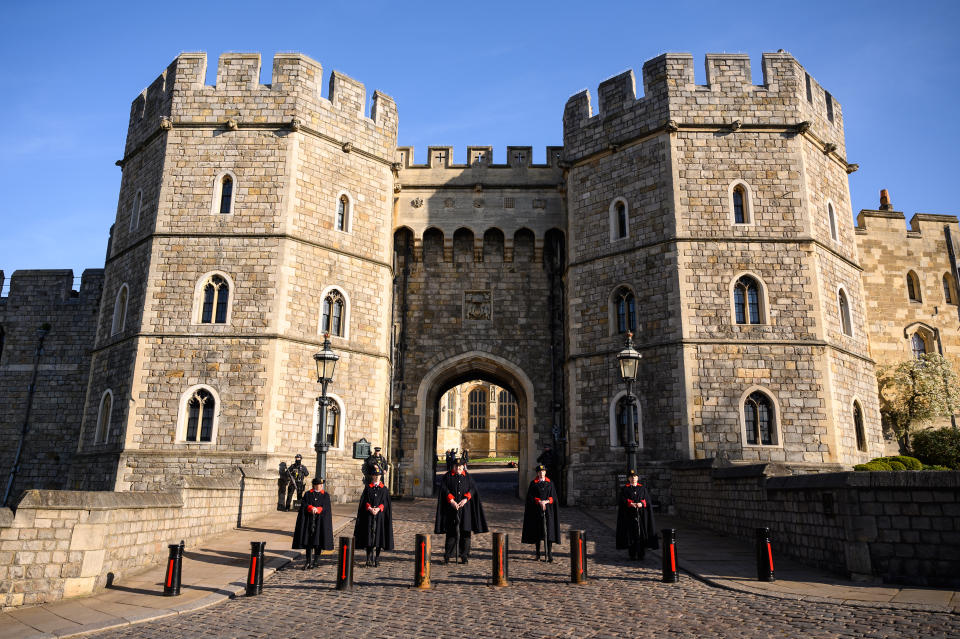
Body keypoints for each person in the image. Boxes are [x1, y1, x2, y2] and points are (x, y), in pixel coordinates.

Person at [434, 457, 488, 564]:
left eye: (460, 466)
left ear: (463, 466)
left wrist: (466, 498)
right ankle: (448, 555)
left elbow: (473, 489)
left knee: (465, 532)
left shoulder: (467, 477)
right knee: (451, 532)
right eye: (456, 466)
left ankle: (464, 555)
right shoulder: (447, 476)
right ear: (453, 466)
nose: (458, 468)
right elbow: (444, 489)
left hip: (465, 509)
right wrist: (451, 500)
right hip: (452, 509)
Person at [354, 466, 394, 567]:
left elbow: (386, 502)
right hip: (369, 516)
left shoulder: (384, 489)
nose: (377, 477)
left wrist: (379, 508)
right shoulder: (368, 488)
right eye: (375, 475)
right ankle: (368, 558)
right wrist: (370, 508)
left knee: (379, 537)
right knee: (369, 537)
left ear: (380, 476)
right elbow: (364, 501)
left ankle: (377, 558)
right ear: (372, 476)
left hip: (380, 517)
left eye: (378, 476)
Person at [615, 469, 658, 560]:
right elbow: (622, 500)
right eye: (631, 477)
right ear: (628, 478)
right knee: (631, 535)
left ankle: (641, 554)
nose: (633, 479)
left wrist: (641, 504)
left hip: (641, 516)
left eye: (635, 477)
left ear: (637, 478)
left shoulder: (642, 488)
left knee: (641, 535)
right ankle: (632, 554)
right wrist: (630, 503)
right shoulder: (625, 489)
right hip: (629, 516)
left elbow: (647, 500)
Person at [521, 464, 560, 561]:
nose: (541, 473)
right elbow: (530, 497)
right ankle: (537, 553)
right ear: (537, 473)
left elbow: (553, 497)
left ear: (545, 472)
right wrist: (539, 501)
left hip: (548, 511)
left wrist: (546, 501)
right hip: (536, 511)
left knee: (549, 532)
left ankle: (549, 553)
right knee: (537, 532)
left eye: (543, 472)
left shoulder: (550, 483)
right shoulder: (533, 484)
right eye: (539, 472)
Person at [292, 477, 333, 569]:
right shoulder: (308, 494)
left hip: (320, 522)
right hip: (309, 521)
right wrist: (311, 508)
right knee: (309, 542)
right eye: (319, 484)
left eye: (322, 484)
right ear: (315, 485)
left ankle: (315, 561)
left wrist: (318, 509)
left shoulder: (325, 495)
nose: (321, 486)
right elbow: (304, 504)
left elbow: (326, 506)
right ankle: (308, 561)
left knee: (318, 542)